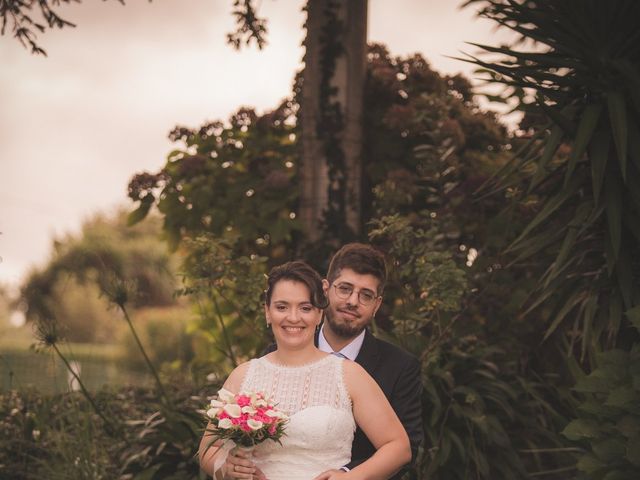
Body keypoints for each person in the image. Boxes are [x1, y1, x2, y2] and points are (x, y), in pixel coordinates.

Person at [199, 260, 411, 480]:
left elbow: (398, 446)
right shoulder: (243, 375)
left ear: (319, 314)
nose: (293, 317)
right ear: (267, 312)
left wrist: (349, 478)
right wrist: (227, 468)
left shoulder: (349, 375)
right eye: (282, 307)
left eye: (305, 308)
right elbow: (207, 451)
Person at [316, 243, 423, 477]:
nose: (353, 301)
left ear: (377, 305)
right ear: (325, 289)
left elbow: (407, 448)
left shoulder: (401, 366)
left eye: (366, 295)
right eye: (345, 289)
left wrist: (347, 474)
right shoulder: (279, 352)